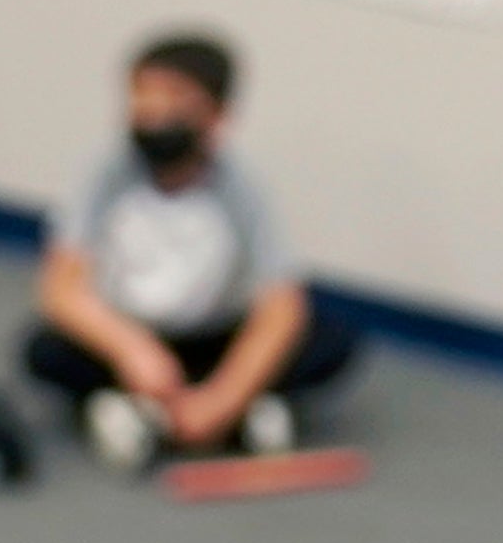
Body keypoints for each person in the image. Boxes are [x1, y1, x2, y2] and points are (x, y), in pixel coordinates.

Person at [21, 28, 360, 470]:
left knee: (330, 339)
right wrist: (132, 351)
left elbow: (281, 305)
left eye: (175, 98)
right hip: (133, 333)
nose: (155, 112)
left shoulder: (243, 188)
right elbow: (62, 288)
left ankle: (181, 411)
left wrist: (223, 398)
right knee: (45, 350)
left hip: (213, 337)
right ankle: (224, 413)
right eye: (143, 96)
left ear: (217, 115)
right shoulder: (104, 174)